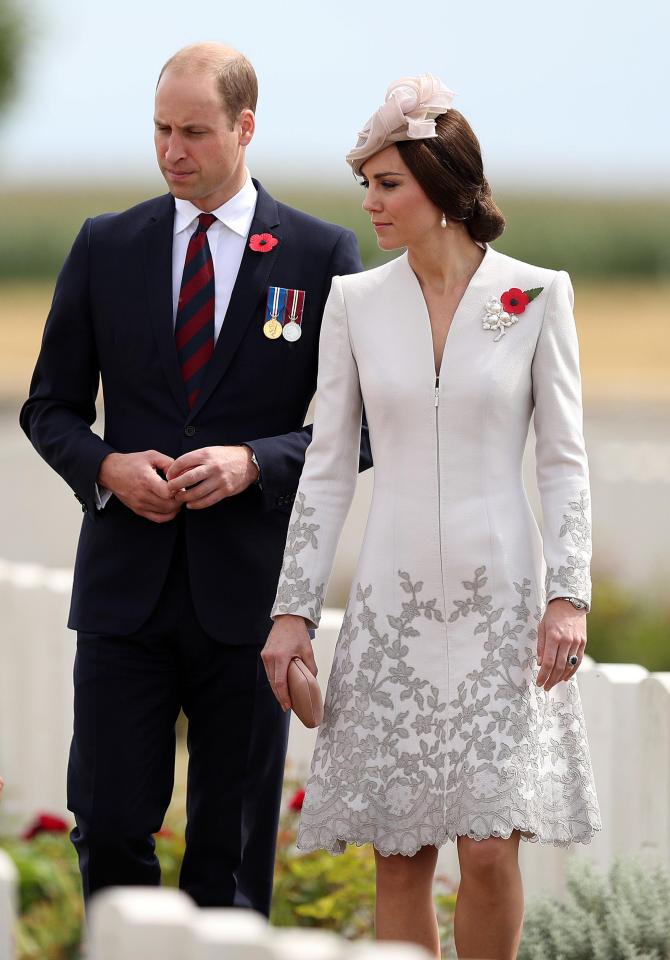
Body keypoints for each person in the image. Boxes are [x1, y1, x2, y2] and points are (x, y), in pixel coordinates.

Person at [19, 42, 371, 915]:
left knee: (234, 848)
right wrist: (105, 465)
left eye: (195, 132)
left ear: (245, 128)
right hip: (121, 597)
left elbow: (356, 431)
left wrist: (255, 461)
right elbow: (49, 407)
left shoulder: (321, 254)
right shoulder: (106, 246)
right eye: (161, 130)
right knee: (105, 821)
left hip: (250, 604)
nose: (173, 151)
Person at [262, 75, 601, 959]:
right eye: (366, 184)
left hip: (506, 608)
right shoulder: (354, 304)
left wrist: (570, 596)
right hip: (393, 608)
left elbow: (564, 461)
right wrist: (292, 609)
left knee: (490, 850)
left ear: (443, 189)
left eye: (388, 184)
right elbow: (328, 465)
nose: (370, 202)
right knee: (401, 857)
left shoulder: (537, 296)